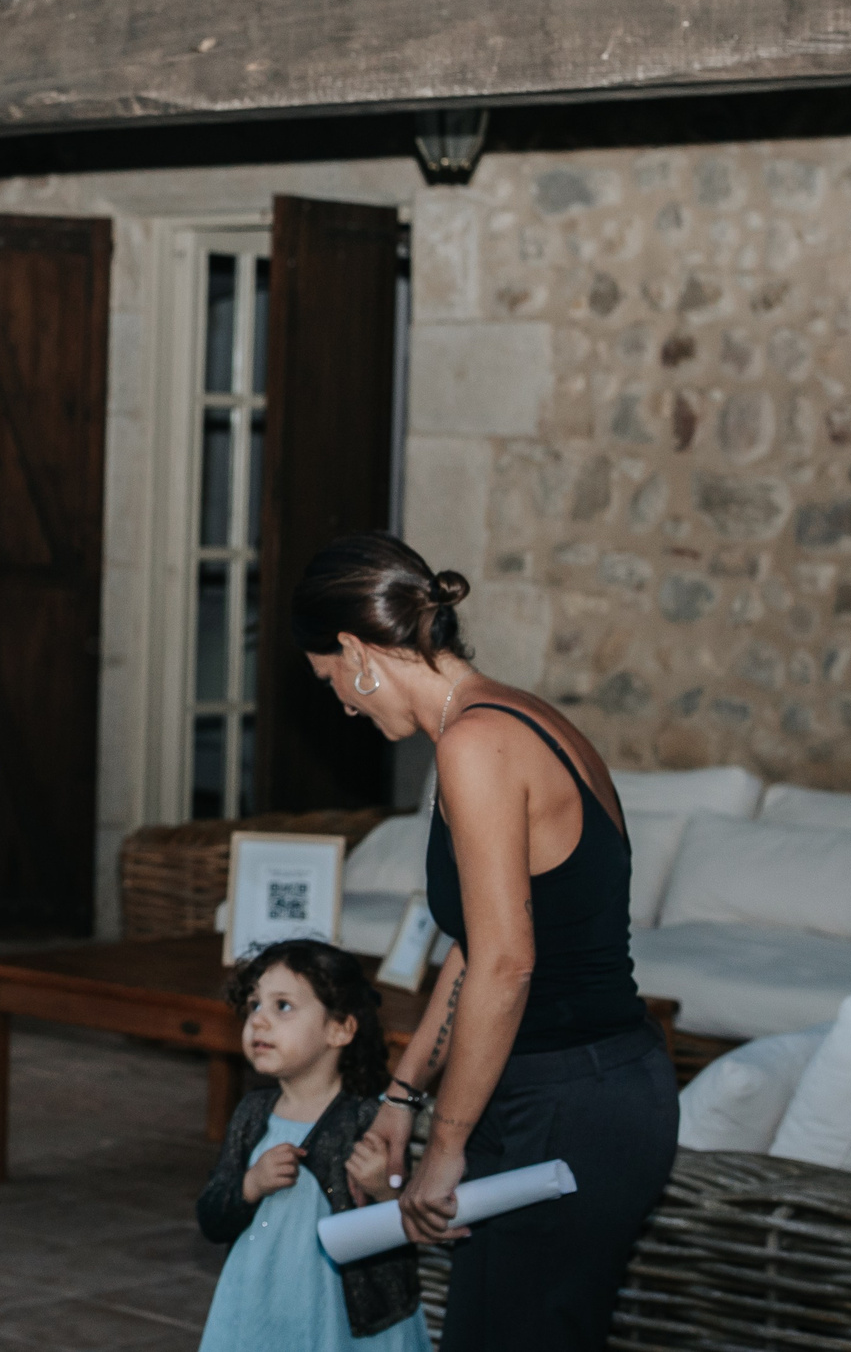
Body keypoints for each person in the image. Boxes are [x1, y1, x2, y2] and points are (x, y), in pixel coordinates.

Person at [293, 533, 677, 1352]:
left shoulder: (475, 745)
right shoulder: (505, 718)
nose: (345, 706)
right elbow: (474, 945)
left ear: (359, 652)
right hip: (588, 1087)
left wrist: (448, 1148)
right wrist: (403, 1099)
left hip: (569, 1099)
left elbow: (508, 963)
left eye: (333, 682)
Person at [193, 939, 425, 1352]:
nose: (259, 1021)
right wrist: (250, 1184)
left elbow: (408, 1227)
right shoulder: (252, 1114)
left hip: (340, 1315)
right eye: (254, 1005)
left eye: (282, 1006)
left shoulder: (367, 1121)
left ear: (340, 1028)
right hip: (260, 1305)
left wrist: (384, 1191)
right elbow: (212, 1219)